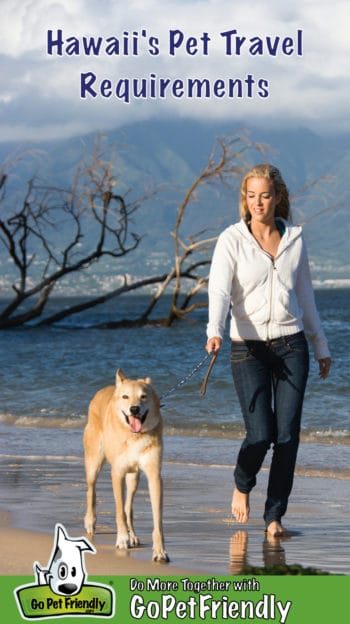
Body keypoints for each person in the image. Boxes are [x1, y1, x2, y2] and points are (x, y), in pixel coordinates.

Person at [205, 164, 331, 537]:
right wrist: (214, 331)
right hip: (248, 348)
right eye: (251, 195)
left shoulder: (295, 239)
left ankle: (274, 516)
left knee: (287, 436)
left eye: (265, 195)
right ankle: (243, 483)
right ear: (244, 199)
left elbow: (305, 295)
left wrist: (319, 344)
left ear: (277, 197)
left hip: (292, 344)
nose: (258, 202)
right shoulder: (232, 239)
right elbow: (220, 290)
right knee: (260, 434)